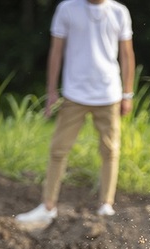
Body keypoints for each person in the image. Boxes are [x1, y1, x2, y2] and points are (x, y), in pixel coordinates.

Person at [16, 0, 136, 227]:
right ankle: (48, 207)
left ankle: (106, 206)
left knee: (110, 150)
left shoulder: (119, 12)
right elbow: (56, 51)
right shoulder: (67, 9)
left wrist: (127, 94)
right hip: (74, 93)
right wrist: (52, 91)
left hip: (108, 93)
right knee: (58, 149)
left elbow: (127, 54)